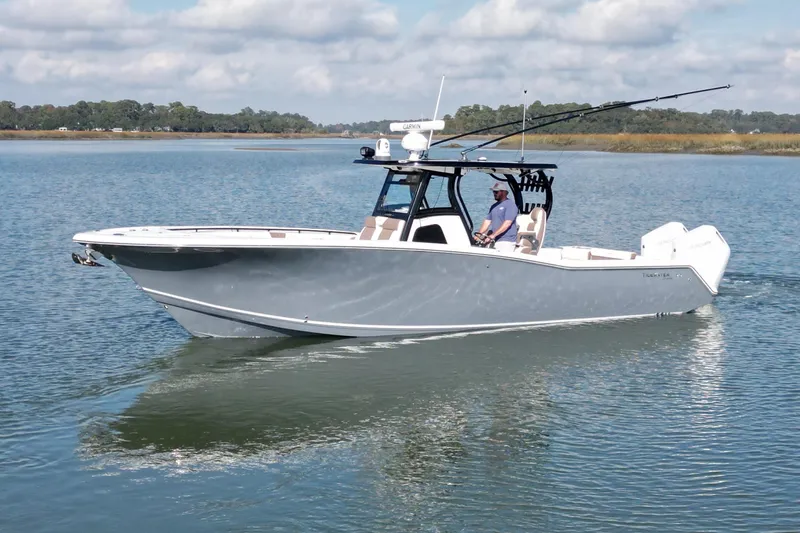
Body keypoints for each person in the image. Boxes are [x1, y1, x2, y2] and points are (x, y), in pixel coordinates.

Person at [473, 181, 518, 253]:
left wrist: (493, 235)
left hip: (506, 241)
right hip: (494, 240)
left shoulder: (510, 205)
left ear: (503, 192)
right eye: (494, 192)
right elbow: (487, 222)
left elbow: (507, 223)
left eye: (496, 192)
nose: (494, 194)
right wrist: (479, 235)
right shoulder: (493, 206)